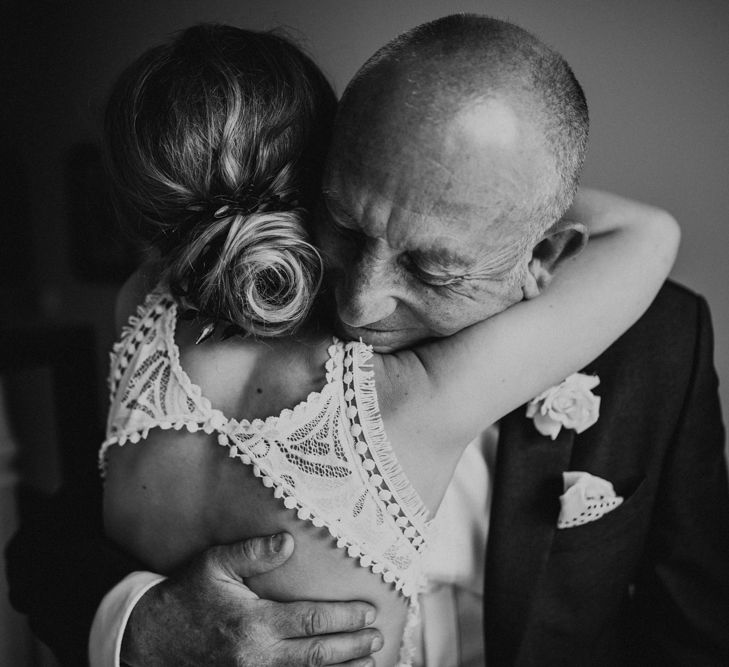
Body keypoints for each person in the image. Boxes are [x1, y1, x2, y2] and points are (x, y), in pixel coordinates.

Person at [6, 14, 728, 667]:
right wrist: (138, 625)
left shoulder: (656, 340)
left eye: (430, 265)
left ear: (544, 256)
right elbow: (50, 548)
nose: (356, 302)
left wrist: (491, 195)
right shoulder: (391, 387)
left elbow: (692, 627)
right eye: (343, 224)